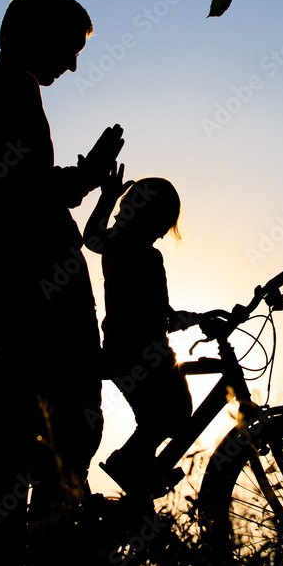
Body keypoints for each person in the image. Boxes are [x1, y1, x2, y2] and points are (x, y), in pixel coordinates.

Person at [0, 0, 122, 566]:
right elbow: (21, 195)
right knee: (65, 432)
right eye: (68, 48)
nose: (72, 65)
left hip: (13, 289)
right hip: (32, 294)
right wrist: (88, 176)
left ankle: (27, 548)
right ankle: (39, 552)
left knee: (34, 436)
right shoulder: (5, 95)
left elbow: (17, 189)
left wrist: (82, 178)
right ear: (35, 35)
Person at [82, 167, 198, 496]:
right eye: (163, 224)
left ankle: (138, 470)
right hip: (141, 352)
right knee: (174, 414)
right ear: (153, 220)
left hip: (124, 349)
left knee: (160, 417)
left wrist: (107, 198)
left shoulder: (117, 246)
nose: (162, 233)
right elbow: (162, 312)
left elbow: (91, 237)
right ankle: (130, 463)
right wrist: (191, 318)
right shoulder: (145, 255)